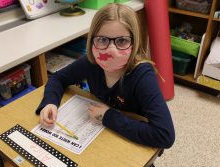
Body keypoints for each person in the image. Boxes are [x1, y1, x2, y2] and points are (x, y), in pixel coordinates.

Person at [36, 3, 175, 149]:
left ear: (134, 43)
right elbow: (58, 78)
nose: (111, 51)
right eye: (103, 40)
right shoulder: (92, 62)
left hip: (130, 140)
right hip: (98, 135)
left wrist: (107, 116)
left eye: (122, 41)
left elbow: (164, 135)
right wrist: (50, 102)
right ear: (92, 41)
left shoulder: (142, 76)